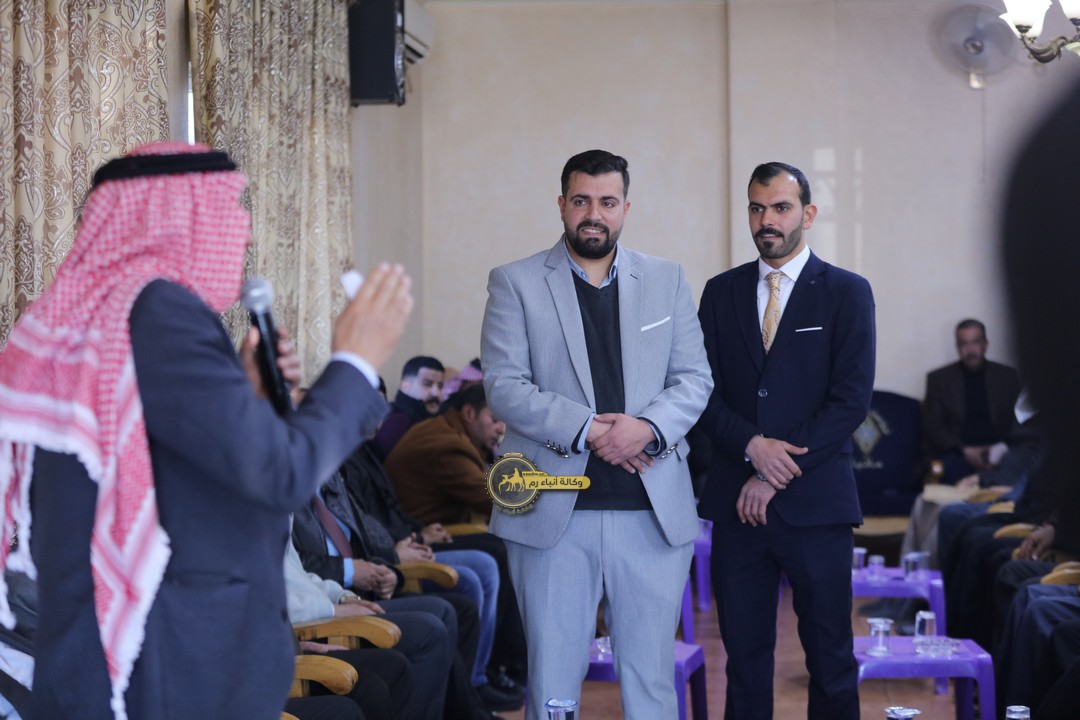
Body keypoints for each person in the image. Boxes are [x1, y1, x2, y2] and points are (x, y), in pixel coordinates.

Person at [0, 142, 413, 719]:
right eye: (228, 209)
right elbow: (280, 475)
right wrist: (355, 362)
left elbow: (162, 463)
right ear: (173, 220)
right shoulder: (159, 311)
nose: (244, 233)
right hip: (171, 663)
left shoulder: (109, 313)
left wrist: (245, 397)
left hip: (134, 654)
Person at [480, 149, 713, 720]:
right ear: (562, 204)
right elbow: (504, 386)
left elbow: (694, 379)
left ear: (625, 208)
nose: (594, 214)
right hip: (552, 514)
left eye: (607, 202)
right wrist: (589, 429)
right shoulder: (514, 281)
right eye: (581, 200)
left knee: (651, 682)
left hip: (651, 512)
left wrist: (646, 428)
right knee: (552, 682)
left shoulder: (666, 279)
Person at [697, 161, 875, 719]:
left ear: (808, 214)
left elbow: (850, 401)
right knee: (744, 664)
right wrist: (753, 446)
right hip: (738, 509)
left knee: (831, 659)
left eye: (780, 207)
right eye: (756, 208)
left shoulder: (847, 292)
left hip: (816, 506)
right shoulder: (720, 292)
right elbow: (701, 393)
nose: (766, 220)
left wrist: (773, 471)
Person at [385, 384, 505, 526]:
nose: (501, 430)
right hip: (419, 533)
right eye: (495, 420)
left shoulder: (442, 427)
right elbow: (493, 500)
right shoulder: (450, 447)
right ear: (469, 413)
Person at [922, 319, 1022, 483]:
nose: (970, 350)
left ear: (985, 345)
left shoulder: (1007, 377)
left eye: (975, 342)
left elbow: (1020, 420)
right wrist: (964, 450)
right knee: (950, 467)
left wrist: (1001, 447)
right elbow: (933, 426)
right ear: (957, 347)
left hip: (1000, 450)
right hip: (958, 452)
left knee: (1018, 464)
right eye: (964, 344)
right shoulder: (939, 380)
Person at [371, 355, 445, 460]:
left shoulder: (432, 422)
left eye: (440, 386)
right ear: (405, 385)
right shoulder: (397, 424)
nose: (436, 393)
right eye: (427, 384)